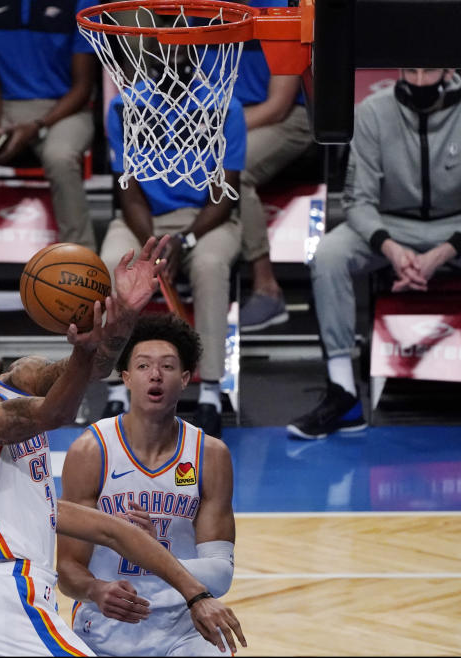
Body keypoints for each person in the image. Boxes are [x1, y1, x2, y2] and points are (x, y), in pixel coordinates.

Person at [0, 239, 247, 656]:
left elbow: (95, 369)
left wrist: (125, 312)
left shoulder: (18, 380)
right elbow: (49, 415)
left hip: (12, 590)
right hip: (6, 596)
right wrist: (83, 347)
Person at [287, 68, 461, 440]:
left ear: (447, 70)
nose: (418, 82)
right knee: (330, 254)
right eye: (410, 72)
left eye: (427, 72)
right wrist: (391, 248)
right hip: (391, 226)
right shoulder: (371, 112)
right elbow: (357, 201)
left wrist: (443, 253)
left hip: (454, 229)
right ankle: (344, 393)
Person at [58, 313, 237, 656]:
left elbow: (220, 574)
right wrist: (95, 590)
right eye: (142, 366)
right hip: (106, 622)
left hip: (183, 623)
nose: (155, 375)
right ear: (125, 377)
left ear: (185, 378)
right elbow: (67, 569)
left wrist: (155, 551)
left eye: (167, 367)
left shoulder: (209, 454)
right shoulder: (91, 450)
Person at [99, 58, 246, 439]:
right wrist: (152, 253)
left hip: (206, 219)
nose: (174, 58)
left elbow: (224, 195)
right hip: (143, 219)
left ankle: (211, 393)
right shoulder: (123, 107)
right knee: (111, 262)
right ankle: (117, 387)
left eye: (184, 51)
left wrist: (187, 241)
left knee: (211, 265)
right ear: (147, 56)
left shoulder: (226, 106)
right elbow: (128, 193)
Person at [0, 0, 97, 249]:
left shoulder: (82, 2)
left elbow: (83, 87)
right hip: (3, 106)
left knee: (60, 157)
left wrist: (38, 126)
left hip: (65, 108)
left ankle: (80, 255)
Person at [229, 0, 313, 332]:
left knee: (235, 169)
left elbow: (279, 104)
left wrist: (220, 130)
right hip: (227, 119)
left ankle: (267, 288)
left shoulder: (281, 8)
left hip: (288, 118)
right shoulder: (202, 10)